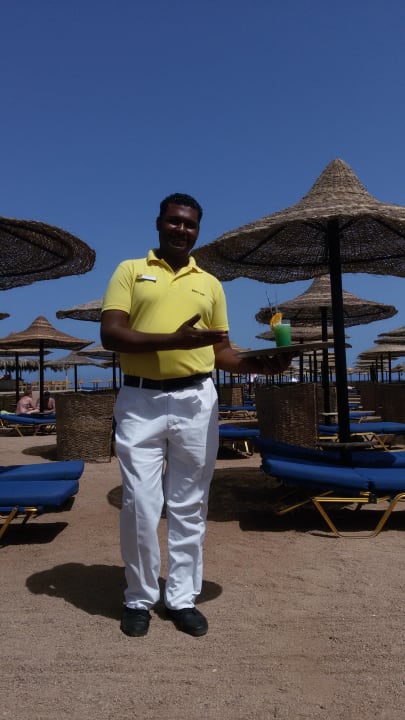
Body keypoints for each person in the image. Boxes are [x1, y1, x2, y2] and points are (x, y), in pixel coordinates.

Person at [101, 192, 292, 638]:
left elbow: (221, 351)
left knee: (189, 503)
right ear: (158, 223)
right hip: (140, 400)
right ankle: (139, 597)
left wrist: (260, 367)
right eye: (174, 221)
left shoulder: (210, 283)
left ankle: (182, 597)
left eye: (189, 224)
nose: (181, 229)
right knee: (140, 503)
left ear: (197, 230)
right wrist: (173, 340)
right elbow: (112, 334)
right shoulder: (131, 270)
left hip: (196, 400)